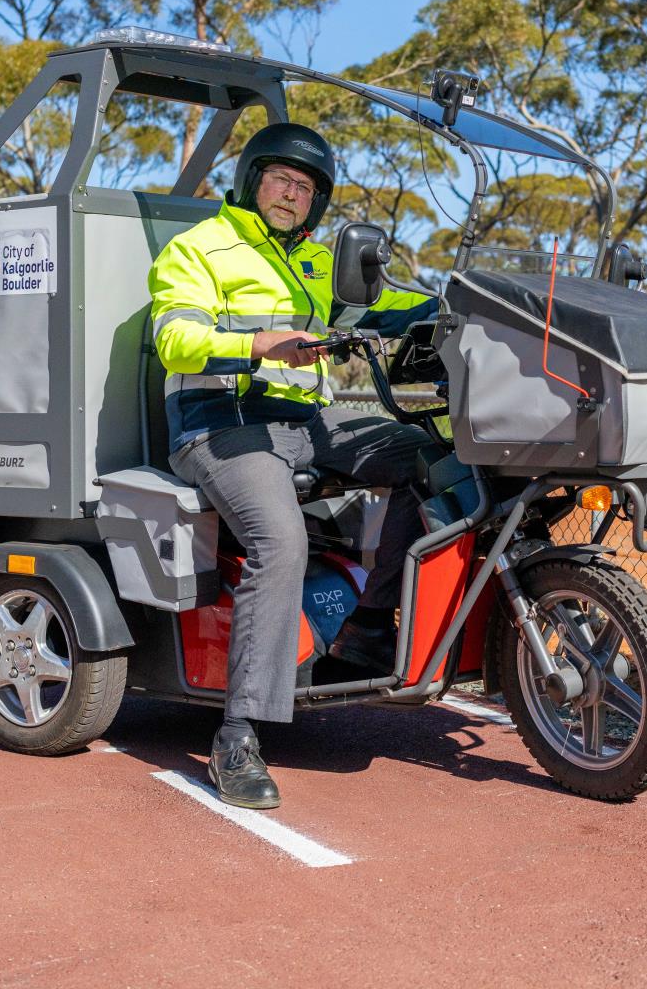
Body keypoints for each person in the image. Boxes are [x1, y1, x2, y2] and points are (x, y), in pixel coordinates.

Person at [148, 122, 435, 810]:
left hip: (301, 424)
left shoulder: (311, 263)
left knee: (428, 457)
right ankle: (239, 734)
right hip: (219, 426)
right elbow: (175, 339)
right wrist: (259, 344)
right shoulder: (199, 249)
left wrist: (460, 305)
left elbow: (384, 307)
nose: (292, 194)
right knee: (281, 540)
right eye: (282, 179)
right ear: (252, 180)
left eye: (306, 188)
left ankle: (367, 629)